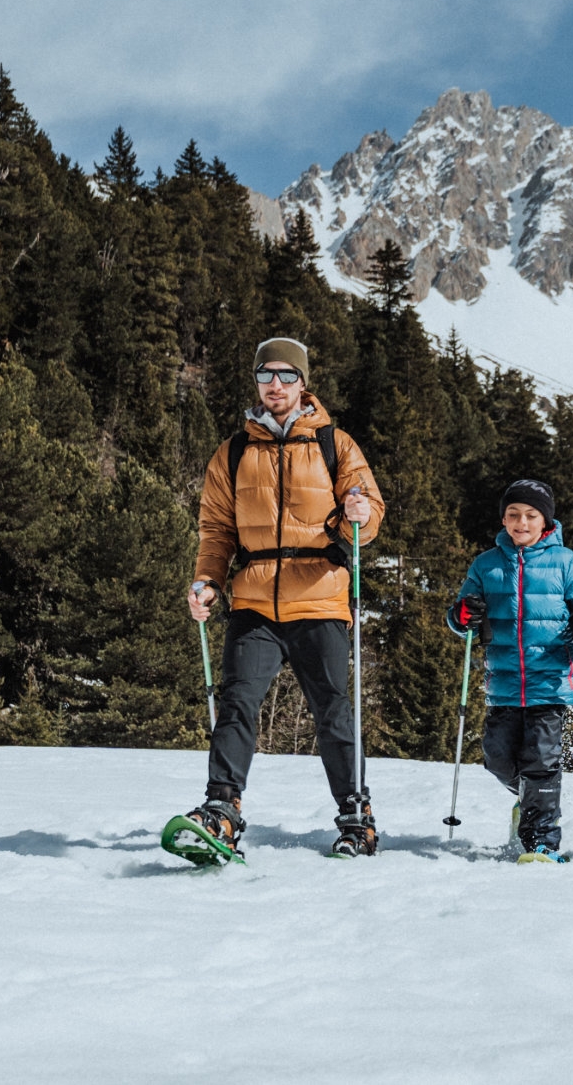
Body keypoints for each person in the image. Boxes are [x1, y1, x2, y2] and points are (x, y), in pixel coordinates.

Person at [185, 337, 386, 857]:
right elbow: (216, 532)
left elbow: (370, 513)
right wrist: (207, 581)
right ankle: (222, 808)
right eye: (266, 375)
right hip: (254, 601)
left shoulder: (335, 445)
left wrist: (359, 516)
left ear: (303, 383)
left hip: (319, 598)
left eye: (286, 376)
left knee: (332, 713)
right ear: (256, 382)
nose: (276, 385)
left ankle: (355, 815)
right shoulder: (232, 452)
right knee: (237, 703)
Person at [445, 479, 573, 862]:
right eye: (514, 514)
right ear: (503, 519)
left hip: (550, 680)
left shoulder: (566, 562)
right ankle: (529, 799)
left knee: (541, 759)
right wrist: (463, 615)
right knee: (497, 757)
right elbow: (459, 615)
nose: (522, 522)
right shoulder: (486, 565)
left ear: (545, 521)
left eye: (531, 515)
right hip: (503, 682)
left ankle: (541, 841)